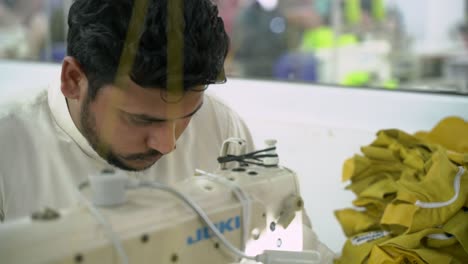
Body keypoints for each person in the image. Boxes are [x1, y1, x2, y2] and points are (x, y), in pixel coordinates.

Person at [0, 0, 254, 221]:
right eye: (141, 120)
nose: (168, 145)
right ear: (74, 80)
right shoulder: (8, 147)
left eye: (188, 116)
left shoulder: (222, 128)